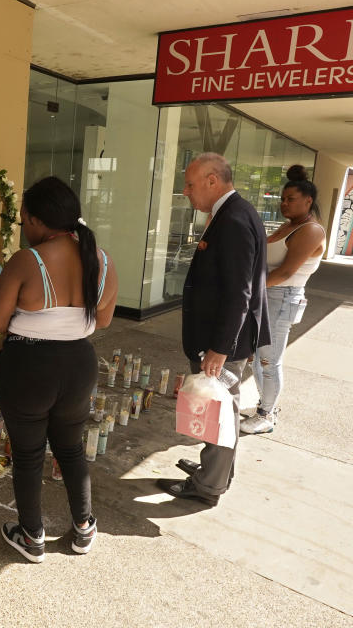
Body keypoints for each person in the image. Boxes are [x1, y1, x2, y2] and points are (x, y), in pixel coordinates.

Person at [0, 176, 118, 563]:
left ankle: (32, 536)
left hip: (27, 366)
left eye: (24, 219)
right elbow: (105, 320)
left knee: (28, 455)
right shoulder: (104, 260)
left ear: (39, 221)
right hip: (79, 364)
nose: (23, 228)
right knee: (71, 447)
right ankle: (83, 528)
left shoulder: (27, 261)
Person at [157, 152, 271, 506]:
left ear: (212, 180)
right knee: (217, 407)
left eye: (191, 184)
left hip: (222, 341)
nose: (185, 191)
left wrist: (220, 348)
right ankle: (216, 472)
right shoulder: (234, 212)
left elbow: (240, 292)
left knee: (218, 408)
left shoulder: (234, 219)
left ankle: (208, 486)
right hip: (223, 337)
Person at [241, 165, 325, 435]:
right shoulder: (289, 226)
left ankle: (265, 415)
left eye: (291, 199)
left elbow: (286, 272)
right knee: (257, 358)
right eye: (283, 199)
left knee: (269, 361)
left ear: (308, 201)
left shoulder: (311, 230)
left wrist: (243, 288)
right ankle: (267, 406)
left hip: (282, 296)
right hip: (267, 295)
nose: (284, 204)